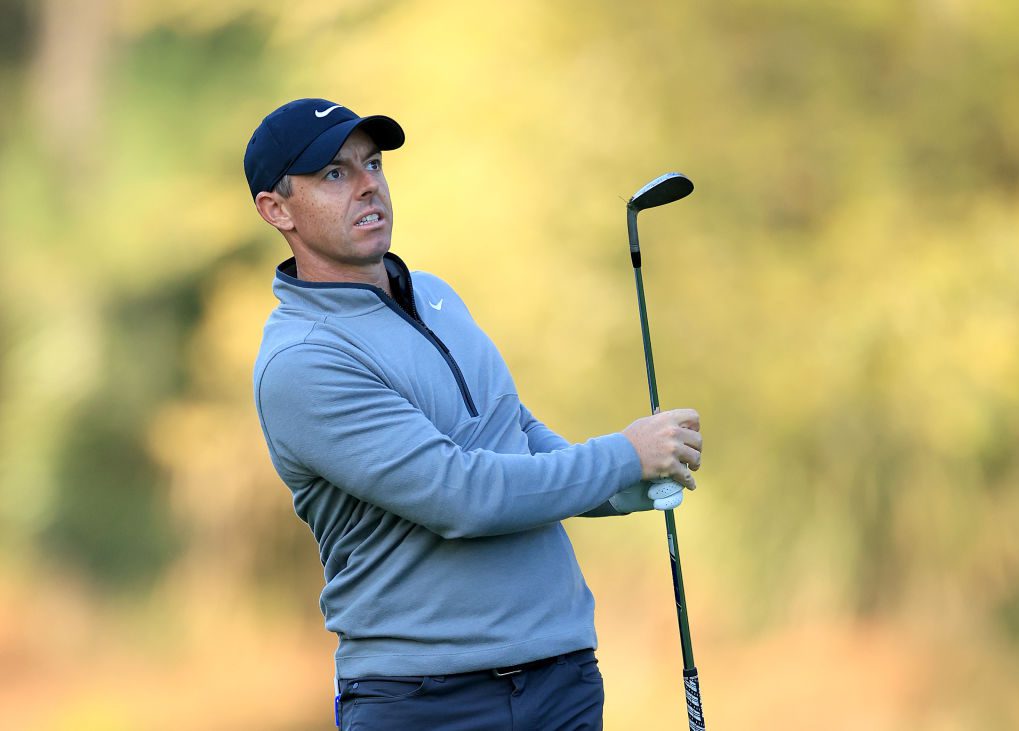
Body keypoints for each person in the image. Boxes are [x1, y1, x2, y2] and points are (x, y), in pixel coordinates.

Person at [244, 98, 703, 730]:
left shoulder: (436, 295)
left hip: (560, 676)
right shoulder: (303, 361)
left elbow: (519, 439)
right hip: (426, 701)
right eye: (334, 174)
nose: (368, 185)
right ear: (276, 209)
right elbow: (463, 496)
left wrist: (632, 487)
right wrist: (624, 454)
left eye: (372, 164)